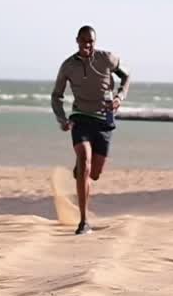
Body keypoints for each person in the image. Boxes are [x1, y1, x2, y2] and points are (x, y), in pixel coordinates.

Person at [51, 25, 130, 235]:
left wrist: (119, 97)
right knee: (85, 161)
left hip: (104, 120)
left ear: (95, 42)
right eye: (83, 41)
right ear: (77, 40)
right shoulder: (68, 66)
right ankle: (84, 222)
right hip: (80, 118)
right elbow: (56, 96)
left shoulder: (107, 58)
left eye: (91, 41)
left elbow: (126, 76)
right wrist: (62, 119)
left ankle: (81, 169)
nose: (87, 45)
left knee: (94, 173)